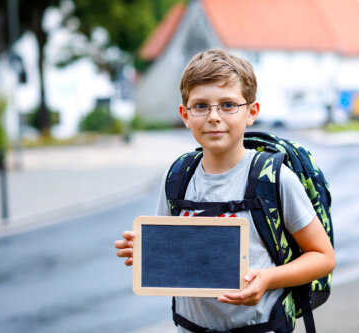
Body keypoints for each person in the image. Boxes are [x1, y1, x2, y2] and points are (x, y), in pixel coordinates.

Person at [114, 48, 335, 332]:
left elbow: (323, 257)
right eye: (201, 105)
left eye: (228, 105)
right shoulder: (178, 176)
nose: (214, 116)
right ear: (185, 114)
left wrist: (267, 279)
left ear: (251, 112)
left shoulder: (275, 179)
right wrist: (147, 251)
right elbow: (174, 250)